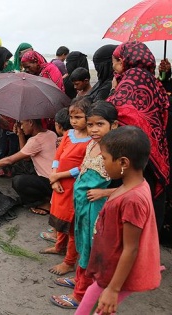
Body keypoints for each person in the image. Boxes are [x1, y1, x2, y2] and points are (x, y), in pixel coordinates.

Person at [75, 126, 161, 315]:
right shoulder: (133, 185)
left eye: (104, 158)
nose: (102, 163)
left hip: (115, 275)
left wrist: (113, 289)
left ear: (123, 162)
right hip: (109, 269)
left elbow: (131, 248)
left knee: (89, 310)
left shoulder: (133, 200)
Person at [49, 101, 118, 310]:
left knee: (90, 248)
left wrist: (104, 191)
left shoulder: (116, 150)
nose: (94, 129)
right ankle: (80, 281)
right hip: (81, 204)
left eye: (100, 124)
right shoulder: (92, 144)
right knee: (80, 243)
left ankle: (79, 295)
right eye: (90, 125)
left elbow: (135, 185)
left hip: (95, 208)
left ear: (113, 125)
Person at [107, 41, 170, 235]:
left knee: (128, 207)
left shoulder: (126, 84)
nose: (112, 66)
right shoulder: (155, 83)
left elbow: (110, 114)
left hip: (128, 157)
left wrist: (112, 90)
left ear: (123, 61)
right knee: (150, 199)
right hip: (155, 154)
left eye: (114, 62)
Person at [41, 98, 91, 277]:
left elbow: (83, 167)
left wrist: (59, 175)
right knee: (58, 215)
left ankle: (69, 261)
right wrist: (54, 177)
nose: (74, 121)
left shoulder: (92, 141)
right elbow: (58, 156)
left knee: (71, 224)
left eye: (78, 117)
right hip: (59, 183)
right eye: (71, 117)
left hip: (73, 186)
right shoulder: (69, 135)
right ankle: (59, 246)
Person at [0, 119, 57, 212]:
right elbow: (26, 157)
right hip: (55, 178)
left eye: (22, 124)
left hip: (51, 182)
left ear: (31, 123)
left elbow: (10, 160)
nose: (21, 127)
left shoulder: (36, 141)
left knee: (18, 181)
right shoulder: (51, 133)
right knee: (21, 166)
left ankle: (44, 203)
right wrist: (20, 134)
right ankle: (46, 197)